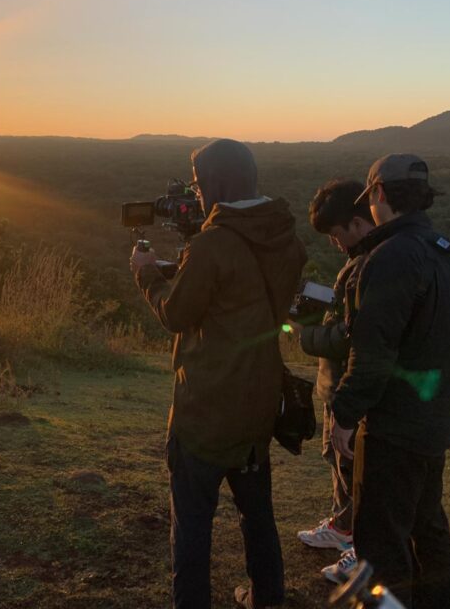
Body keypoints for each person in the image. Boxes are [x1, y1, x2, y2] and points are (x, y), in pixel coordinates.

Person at [130, 139, 306, 609]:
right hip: (258, 403)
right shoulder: (286, 237)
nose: (196, 194)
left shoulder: (212, 244)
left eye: (199, 185)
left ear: (216, 185)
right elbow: (242, 297)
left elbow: (176, 313)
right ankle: (267, 597)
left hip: (206, 408)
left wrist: (148, 274)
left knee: (191, 526)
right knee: (257, 515)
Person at [330, 154, 450, 609]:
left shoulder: (388, 258)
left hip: (393, 427)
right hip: (435, 419)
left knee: (381, 543)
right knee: (428, 528)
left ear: (378, 195)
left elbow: (371, 354)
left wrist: (345, 415)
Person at [289, 180, 374, 583]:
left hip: (348, 387)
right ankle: (343, 528)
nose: (334, 244)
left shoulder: (370, 266)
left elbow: (349, 337)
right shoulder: (363, 260)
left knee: (352, 467)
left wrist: (305, 333)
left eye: (336, 235)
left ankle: (357, 543)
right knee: (339, 463)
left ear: (357, 223)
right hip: (336, 385)